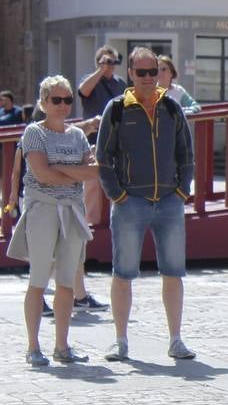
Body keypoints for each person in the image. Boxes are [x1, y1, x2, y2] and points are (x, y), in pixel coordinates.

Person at [95, 46, 195, 362]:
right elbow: (103, 156)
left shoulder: (171, 108)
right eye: (142, 73)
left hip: (169, 201)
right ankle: (121, 340)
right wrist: (117, 195)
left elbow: (186, 154)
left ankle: (176, 339)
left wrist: (182, 191)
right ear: (131, 74)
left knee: (173, 272)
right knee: (123, 272)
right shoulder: (118, 109)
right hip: (130, 202)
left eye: (153, 71)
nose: (149, 78)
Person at [6, 76, 98, 365]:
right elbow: (41, 174)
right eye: (56, 100)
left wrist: (58, 166)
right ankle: (33, 346)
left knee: (67, 281)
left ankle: (62, 346)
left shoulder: (77, 135)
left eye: (67, 100)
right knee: (38, 279)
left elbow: (94, 172)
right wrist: (72, 171)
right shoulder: (35, 132)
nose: (62, 106)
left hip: (72, 209)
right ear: (43, 103)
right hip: (43, 210)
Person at [78, 45, 125, 123]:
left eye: (114, 62)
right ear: (98, 62)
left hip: (114, 128)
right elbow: (82, 92)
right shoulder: (89, 80)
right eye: (109, 62)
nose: (111, 65)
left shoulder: (120, 82)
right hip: (94, 129)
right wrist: (101, 70)